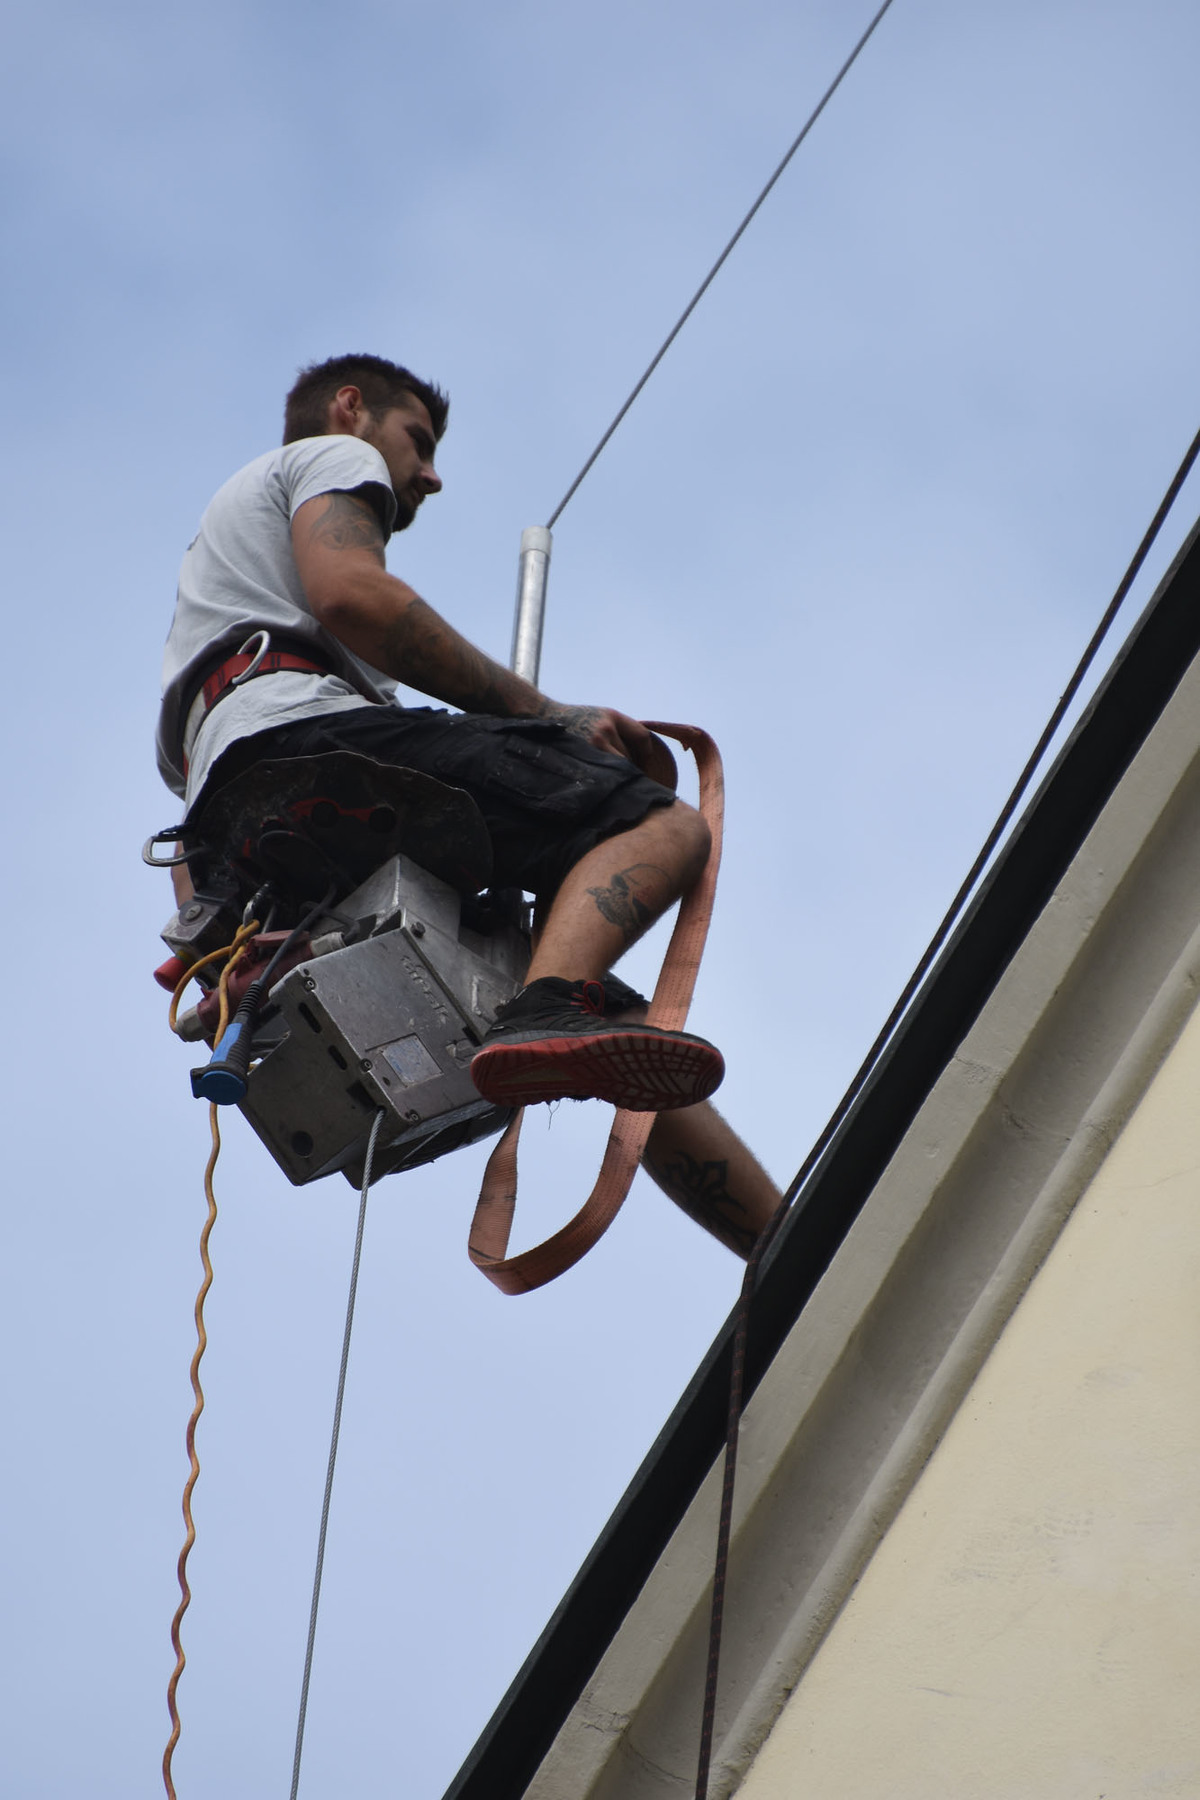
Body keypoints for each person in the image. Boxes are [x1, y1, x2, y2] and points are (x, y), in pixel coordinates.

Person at [158, 353, 779, 1255]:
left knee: (613, 1024)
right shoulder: (331, 456)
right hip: (311, 755)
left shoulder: (212, 626)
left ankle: (783, 1249)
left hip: (244, 830)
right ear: (350, 407)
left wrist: (215, 967)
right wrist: (549, 717)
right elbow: (353, 593)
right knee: (660, 825)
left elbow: (195, 833)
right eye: (418, 441)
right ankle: (544, 1013)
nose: (430, 474)